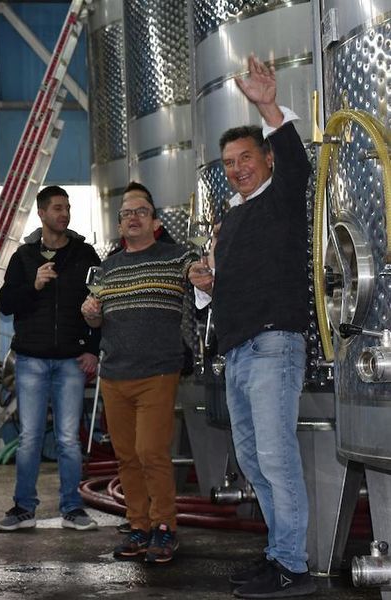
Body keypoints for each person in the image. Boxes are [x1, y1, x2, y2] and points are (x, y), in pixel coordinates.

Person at [189, 54, 314, 598]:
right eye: (228, 162)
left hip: (272, 345)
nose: (237, 168)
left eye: (246, 157)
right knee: (251, 460)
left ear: (266, 157)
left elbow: (298, 165)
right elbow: (223, 290)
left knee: (274, 456)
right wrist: (206, 281)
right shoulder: (233, 217)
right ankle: (277, 552)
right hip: (237, 352)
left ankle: (293, 565)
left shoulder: (283, 198)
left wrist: (267, 104)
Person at [81, 182, 193, 564]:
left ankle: (165, 527)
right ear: (119, 224)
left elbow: (202, 279)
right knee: (126, 457)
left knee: (151, 453)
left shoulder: (178, 257)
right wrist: (91, 315)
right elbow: (94, 318)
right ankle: (139, 525)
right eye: (126, 213)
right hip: (114, 376)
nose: (132, 218)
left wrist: (204, 273)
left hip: (157, 373)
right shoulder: (106, 267)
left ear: (155, 221)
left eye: (140, 211)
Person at [0, 185, 101, 532]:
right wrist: (34, 286)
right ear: (41, 213)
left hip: (72, 360)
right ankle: (24, 508)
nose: (64, 214)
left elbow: (101, 303)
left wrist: (92, 348)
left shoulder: (85, 255)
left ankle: (72, 508)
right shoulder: (23, 258)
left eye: (67, 208)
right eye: (57, 208)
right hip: (31, 361)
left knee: (69, 439)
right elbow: (6, 304)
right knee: (30, 438)